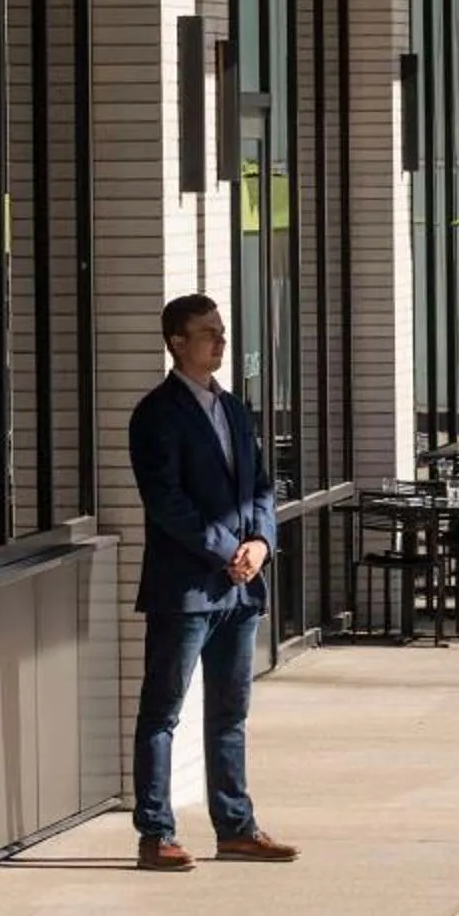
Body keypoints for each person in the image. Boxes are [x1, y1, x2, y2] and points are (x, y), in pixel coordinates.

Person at [127, 294, 298, 871]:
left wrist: (262, 544)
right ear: (177, 341)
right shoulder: (156, 415)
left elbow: (264, 489)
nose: (220, 342)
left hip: (240, 591)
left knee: (230, 713)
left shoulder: (236, 410)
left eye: (222, 332)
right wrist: (230, 549)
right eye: (209, 333)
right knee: (163, 713)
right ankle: (157, 834)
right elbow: (166, 502)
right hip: (186, 591)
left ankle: (236, 828)